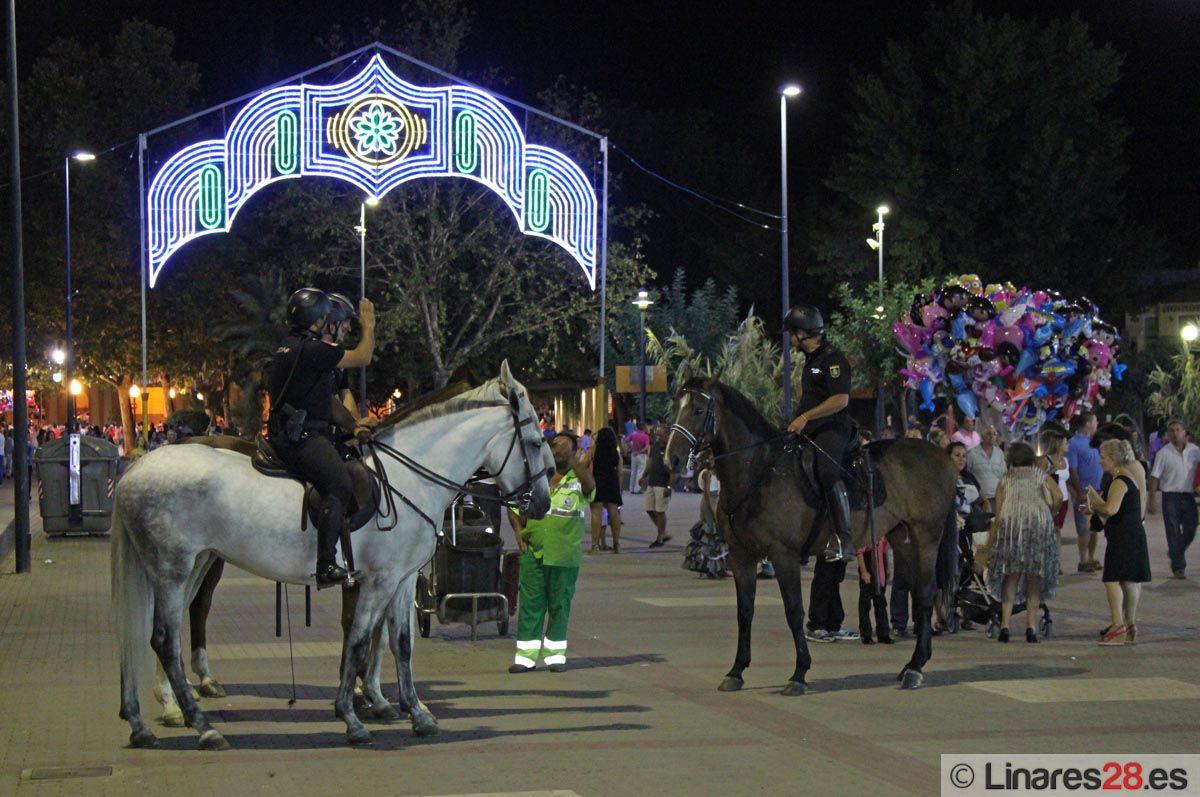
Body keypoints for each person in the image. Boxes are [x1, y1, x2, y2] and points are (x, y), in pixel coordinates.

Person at [266, 287, 376, 589]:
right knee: (340, 483)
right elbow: (363, 356)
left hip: (297, 432)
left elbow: (328, 403)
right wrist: (370, 327)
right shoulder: (313, 349)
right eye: (328, 318)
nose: (333, 324)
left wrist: (354, 427)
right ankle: (326, 564)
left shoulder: (293, 348)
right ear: (318, 319)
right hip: (299, 438)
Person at [509, 432, 595, 673]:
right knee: (530, 605)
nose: (556, 449)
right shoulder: (537, 478)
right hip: (533, 552)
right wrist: (518, 532)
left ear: (574, 451)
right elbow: (514, 507)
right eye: (554, 444)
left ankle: (555, 657)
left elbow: (591, 488)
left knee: (559, 605)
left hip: (564, 555)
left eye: (562, 446)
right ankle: (525, 658)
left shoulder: (578, 480)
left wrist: (575, 461)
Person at [783, 304, 854, 562]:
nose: (789, 338)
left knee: (827, 470)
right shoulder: (811, 361)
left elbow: (840, 400)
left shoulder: (833, 359)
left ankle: (844, 539)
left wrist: (805, 417)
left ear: (802, 333)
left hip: (832, 427)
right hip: (810, 427)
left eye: (791, 332)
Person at [974, 442, 1061, 643]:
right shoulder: (1041, 476)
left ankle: (1005, 625)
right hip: (1039, 526)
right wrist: (1051, 511)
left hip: (1011, 528)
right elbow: (1058, 496)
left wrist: (987, 546)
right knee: (1033, 577)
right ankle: (1031, 627)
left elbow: (999, 513)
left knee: (1010, 576)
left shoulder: (1005, 480)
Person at [1086, 439, 1151, 645]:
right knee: (1129, 580)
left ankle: (1118, 627)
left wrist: (1094, 504)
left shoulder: (1120, 480)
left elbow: (1110, 509)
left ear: (1113, 459)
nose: (1100, 462)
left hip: (1123, 536)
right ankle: (1129, 624)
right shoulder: (1127, 477)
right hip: (1133, 534)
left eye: (1103, 458)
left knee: (1112, 579)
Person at [1148, 419, 1200, 579]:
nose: (1174, 433)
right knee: (1173, 531)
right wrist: (1152, 501)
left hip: (1189, 496)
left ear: (1185, 433)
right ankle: (1178, 567)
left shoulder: (1195, 451)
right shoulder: (1163, 453)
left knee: (1191, 530)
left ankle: (1175, 552)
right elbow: (1154, 478)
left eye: (1178, 430)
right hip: (1170, 497)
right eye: (1171, 430)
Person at [1067, 411, 1105, 572]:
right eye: (1095, 421)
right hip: (1083, 492)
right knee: (1083, 527)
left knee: (1095, 526)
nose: (1097, 424)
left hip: (1099, 491)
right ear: (1088, 424)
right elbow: (1073, 469)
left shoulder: (1096, 441)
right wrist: (1078, 490)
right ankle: (1083, 559)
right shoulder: (1074, 443)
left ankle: (1091, 557)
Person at [588, 427, 624, 555]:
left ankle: (595, 546)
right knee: (614, 514)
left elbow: (588, 466)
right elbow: (620, 472)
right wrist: (619, 489)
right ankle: (617, 544)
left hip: (598, 482)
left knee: (596, 514)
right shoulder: (616, 452)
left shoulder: (594, 450)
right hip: (612, 483)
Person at [640, 426, 676, 547]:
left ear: (667, 435)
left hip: (662, 484)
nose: (658, 438)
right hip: (652, 482)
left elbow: (673, 470)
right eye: (657, 435)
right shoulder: (655, 446)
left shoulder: (671, 449)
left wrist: (669, 487)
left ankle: (660, 538)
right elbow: (650, 461)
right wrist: (644, 475)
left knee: (660, 511)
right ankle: (663, 532)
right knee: (649, 509)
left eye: (661, 435)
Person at [856, 537, 892, 644]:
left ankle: (883, 633)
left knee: (881, 600)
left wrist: (888, 567)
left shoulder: (882, 532)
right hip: (868, 564)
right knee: (865, 602)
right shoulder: (866, 530)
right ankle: (866, 634)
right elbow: (859, 552)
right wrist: (863, 571)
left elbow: (884, 549)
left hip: (881, 564)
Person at [966, 424, 1007, 505]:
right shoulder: (972, 453)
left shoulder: (999, 453)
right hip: (980, 499)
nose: (992, 436)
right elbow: (967, 475)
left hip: (998, 498)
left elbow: (1004, 475)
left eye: (994, 434)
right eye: (988, 433)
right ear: (982, 436)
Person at [627, 423, 650, 493]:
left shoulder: (633, 434)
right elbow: (646, 447)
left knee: (633, 472)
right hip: (642, 455)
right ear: (643, 428)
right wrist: (640, 452)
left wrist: (631, 448)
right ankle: (637, 489)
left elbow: (626, 441)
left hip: (633, 454)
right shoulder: (645, 436)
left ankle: (631, 489)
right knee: (640, 472)